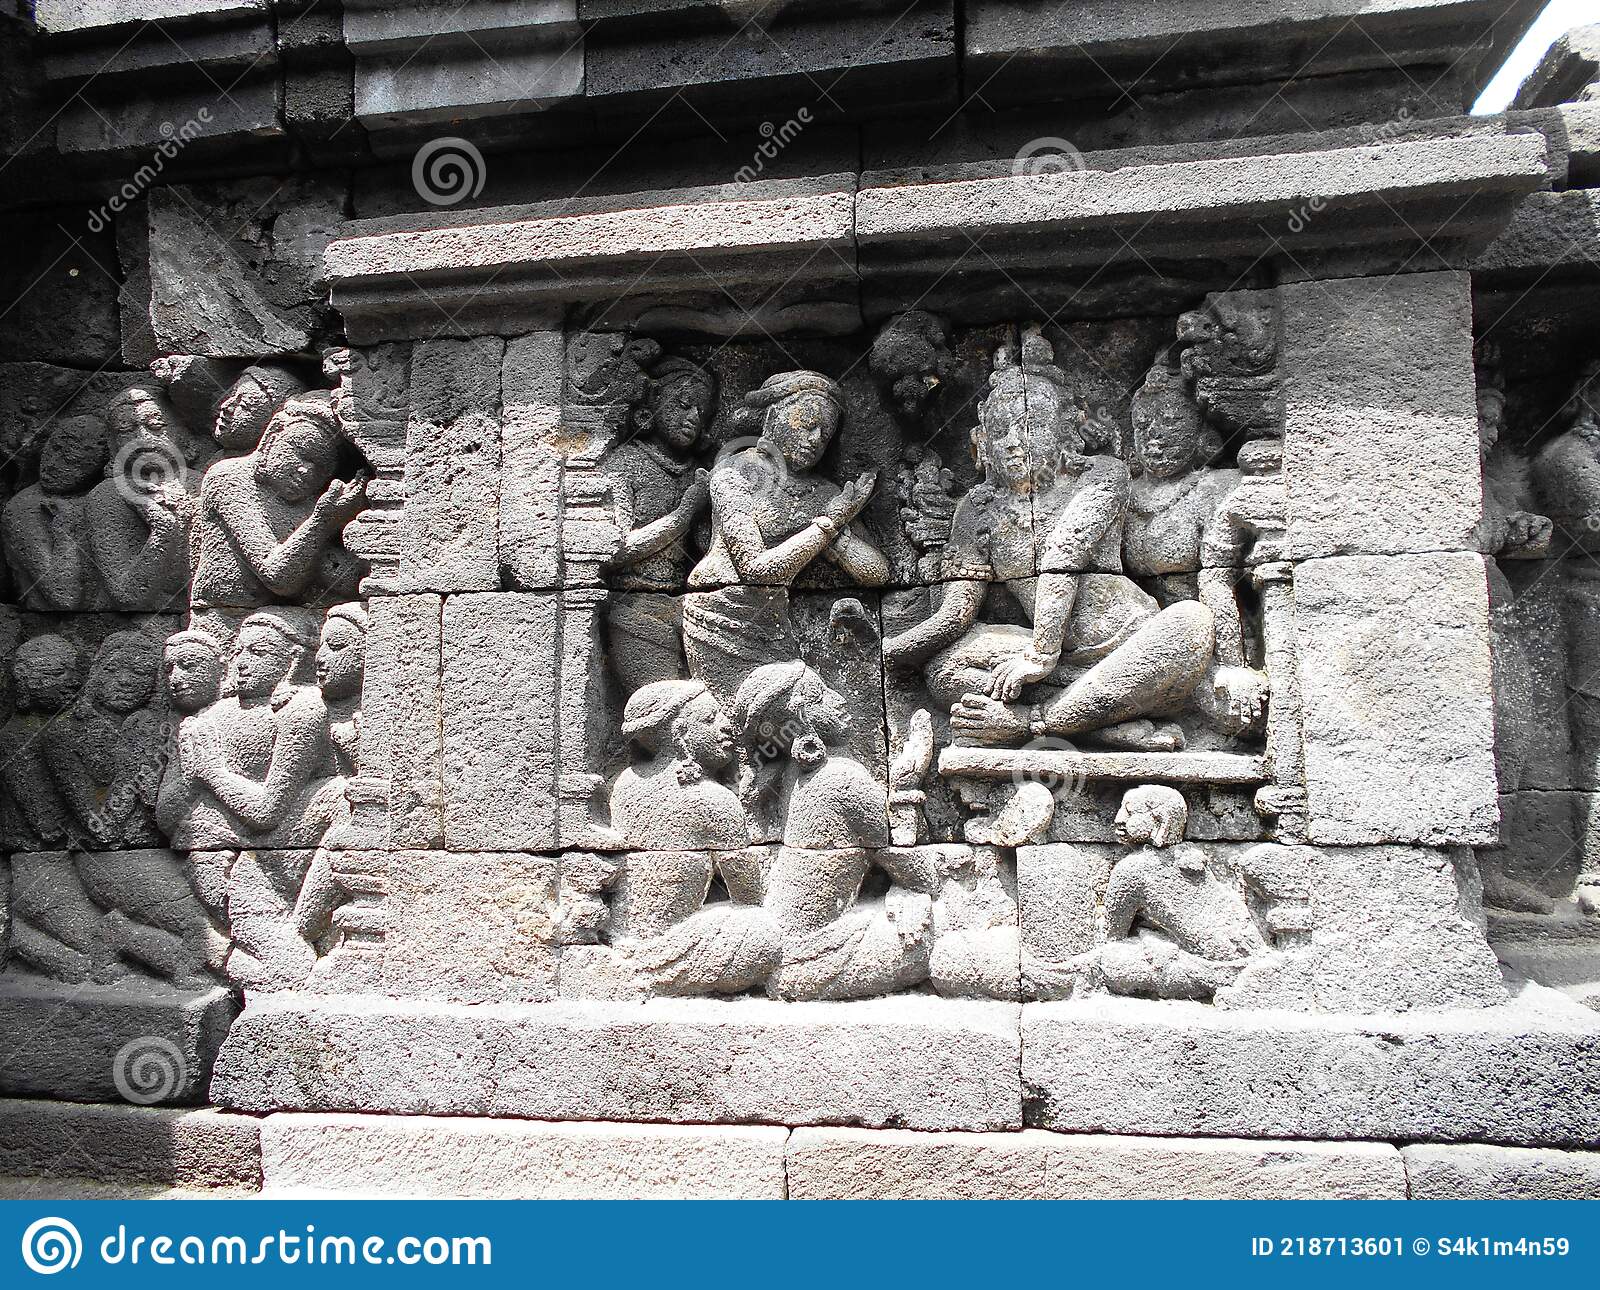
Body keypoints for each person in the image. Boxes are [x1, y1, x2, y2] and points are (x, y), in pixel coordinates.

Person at [884, 332, 1230, 751]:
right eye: (1001, 430)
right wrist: (892, 648)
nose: (1015, 442)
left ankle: (1034, 722)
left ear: (1064, 432)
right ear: (984, 445)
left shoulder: (1100, 475)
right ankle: (1098, 719)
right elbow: (957, 615)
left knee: (1190, 624)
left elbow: (1062, 557)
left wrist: (1040, 655)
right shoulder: (977, 510)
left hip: (1127, 642)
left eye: (1031, 425)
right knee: (944, 671)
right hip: (1054, 662)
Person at [735, 661, 938, 1001]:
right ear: (801, 719)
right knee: (936, 934)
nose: (838, 698)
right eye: (821, 695)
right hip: (816, 961)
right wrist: (907, 785)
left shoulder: (790, 777)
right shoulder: (841, 779)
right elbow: (920, 875)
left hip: (788, 954)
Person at [683, 371, 887, 705]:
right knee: (734, 725)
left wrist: (837, 539)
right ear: (773, 417)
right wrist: (829, 523)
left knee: (797, 717)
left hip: (774, 623)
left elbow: (879, 572)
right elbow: (756, 570)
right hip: (721, 617)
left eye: (826, 435)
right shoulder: (736, 472)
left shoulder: (825, 493)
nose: (815, 440)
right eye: (808, 424)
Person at [1088, 784, 1265, 1000]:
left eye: (1131, 812)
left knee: (1110, 961)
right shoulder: (1191, 858)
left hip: (1204, 964)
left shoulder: (1132, 870)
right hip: (1246, 954)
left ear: (1159, 821)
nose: (1119, 819)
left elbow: (1113, 934)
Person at [192, 390, 366, 609]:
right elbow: (277, 575)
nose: (305, 471)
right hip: (225, 619)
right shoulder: (229, 478)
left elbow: (334, 574)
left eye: (321, 469)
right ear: (272, 436)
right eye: (300, 452)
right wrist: (324, 521)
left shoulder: (309, 503)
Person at [602, 359, 717, 692]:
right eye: (684, 404)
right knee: (667, 704)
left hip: (690, 606)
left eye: (702, 411)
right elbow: (616, 550)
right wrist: (683, 516)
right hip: (635, 607)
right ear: (650, 407)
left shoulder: (696, 471)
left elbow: (707, 550)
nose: (694, 417)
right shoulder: (625, 463)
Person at [3, 416, 106, 610]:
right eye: (54, 449)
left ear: (95, 468)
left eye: (71, 461)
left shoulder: (101, 498)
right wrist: (64, 533)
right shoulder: (26, 508)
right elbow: (64, 596)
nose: (52, 464)